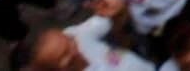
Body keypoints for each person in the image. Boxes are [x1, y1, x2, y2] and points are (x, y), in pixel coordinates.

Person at [24, 16, 154, 71]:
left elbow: (104, 21)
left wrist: (110, 12)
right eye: (65, 55)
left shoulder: (77, 34)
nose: (75, 50)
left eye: (70, 41)